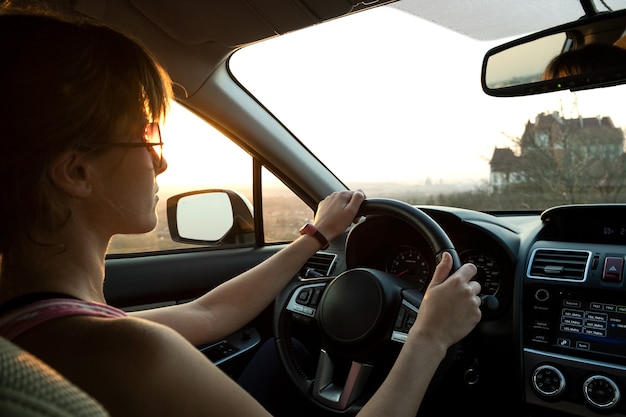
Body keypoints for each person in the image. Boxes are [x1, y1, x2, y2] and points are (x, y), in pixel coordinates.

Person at [0, 10, 482, 417]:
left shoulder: (37, 326)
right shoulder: (125, 352)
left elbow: (209, 312)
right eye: (146, 135)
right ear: (76, 171)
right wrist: (430, 336)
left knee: (280, 353)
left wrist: (314, 235)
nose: (161, 160)